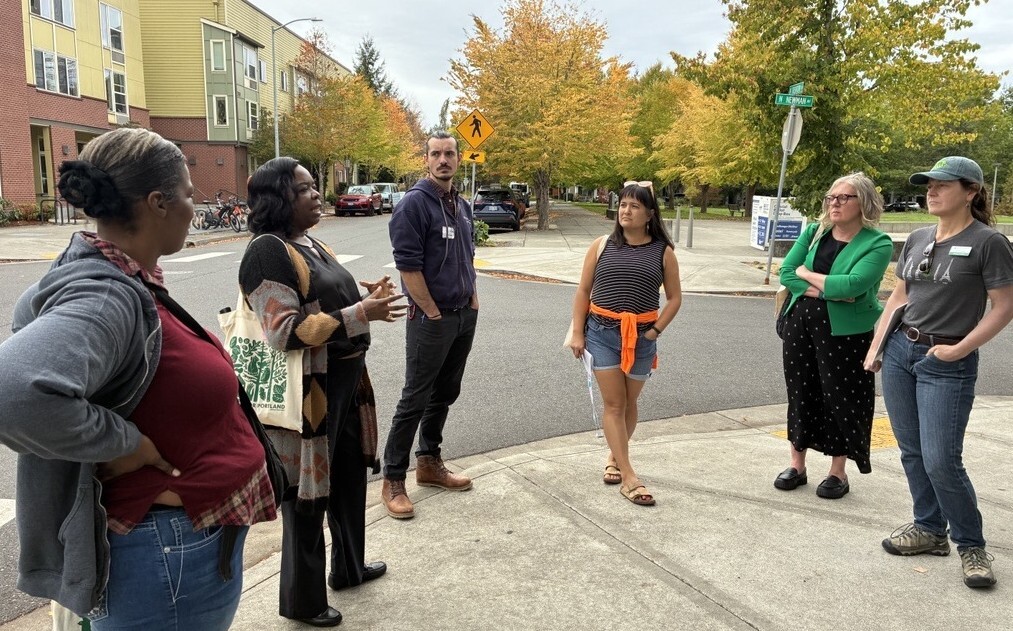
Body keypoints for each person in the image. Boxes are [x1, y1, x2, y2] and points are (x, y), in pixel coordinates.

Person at [0, 127, 277, 629]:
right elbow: (13, 392)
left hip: (175, 548)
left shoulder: (124, 279)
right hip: (161, 555)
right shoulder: (106, 294)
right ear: (158, 203)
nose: (196, 208)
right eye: (190, 194)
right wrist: (122, 443)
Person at [239, 157, 405, 626]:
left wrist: (363, 298)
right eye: (306, 189)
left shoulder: (308, 242)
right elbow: (284, 332)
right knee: (308, 496)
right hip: (311, 393)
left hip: (346, 382)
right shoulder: (267, 252)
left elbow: (327, 297)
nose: (317, 195)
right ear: (279, 200)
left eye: (315, 187)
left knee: (350, 475)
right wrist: (359, 315)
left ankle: (349, 568)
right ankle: (301, 599)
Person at [864, 156, 1013, 588]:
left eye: (943, 185)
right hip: (899, 353)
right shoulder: (918, 236)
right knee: (911, 450)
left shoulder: (989, 242)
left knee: (942, 459)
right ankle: (929, 530)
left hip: (947, 363)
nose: (931, 190)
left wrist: (960, 349)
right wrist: (876, 347)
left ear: (970, 192)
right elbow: (898, 297)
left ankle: (971, 545)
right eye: (928, 184)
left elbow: (1004, 307)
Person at [774, 173, 892, 499]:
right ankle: (797, 464)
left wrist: (807, 275)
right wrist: (827, 290)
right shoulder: (814, 232)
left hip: (847, 334)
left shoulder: (877, 243)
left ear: (863, 203)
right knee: (800, 390)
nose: (835, 203)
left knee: (841, 396)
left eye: (844, 197)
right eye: (831, 197)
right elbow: (786, 272)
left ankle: (838, 472)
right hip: (801, 326)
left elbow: (853, 286)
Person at [382, 131, 479, 519]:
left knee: (446, 391)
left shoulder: (462, 205)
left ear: (458, 159)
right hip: (430, 318)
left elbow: (468, 254)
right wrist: (432, 311)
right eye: (436, 154)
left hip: (463, 315)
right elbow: (408, 265)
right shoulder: (413, 205)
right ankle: (392, 478)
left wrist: (472, 297)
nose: (444, 160)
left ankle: (428, 463)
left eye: (450, 153)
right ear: (426, 159)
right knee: (415, 396)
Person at [566, 181, 681, 506]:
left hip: (642, 338)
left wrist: (655, 331)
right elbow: (582, 291)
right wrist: (578, 333)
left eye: (634, 206)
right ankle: (629, 476)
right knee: (614, 404)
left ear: (649, 214)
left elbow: (674, 299)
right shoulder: (601, 245)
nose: (625, 210)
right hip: (601, 332)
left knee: (630, 404)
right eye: (623, 205)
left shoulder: (663, 252)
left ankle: (615, 457)